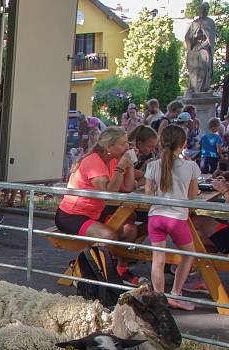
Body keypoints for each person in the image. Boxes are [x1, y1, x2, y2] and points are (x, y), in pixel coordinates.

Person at [55, 126, 140, 283]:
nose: (127, 146)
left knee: (130, 228)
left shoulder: (113, 160)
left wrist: (130, 165)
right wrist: (122, 167)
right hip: (72, 215)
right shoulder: (94, 161)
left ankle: (120, 269)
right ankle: (83, 267)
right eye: (123, 143)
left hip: (94, 212)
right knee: (109, 236)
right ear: (109, 147)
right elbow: (109, 193)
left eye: (127, 143)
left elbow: (128, 188)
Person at [144, 125, 202, 311]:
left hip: (156, 217)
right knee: (189, 255)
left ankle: (160, 298)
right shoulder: (190, 166)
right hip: (176, 218)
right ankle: (176, 294)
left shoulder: (152, 165)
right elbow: (193, 197)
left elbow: (147, 195)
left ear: (161, 142)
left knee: (158, 259)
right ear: (183, 144)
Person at [185, 2, 216, 94]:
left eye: (205, 9)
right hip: (194, 49)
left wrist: (202, 46)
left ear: (207, 10)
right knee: (194, 69)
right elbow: (188, 37)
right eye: (201, 9)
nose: (203, 11)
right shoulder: (195, 22)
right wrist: (194, 37)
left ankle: (204, 88)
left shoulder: (210, 22)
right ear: (199, 10)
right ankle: (193, 87)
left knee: (204, 68)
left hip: (204, 50)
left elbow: (211, 38)